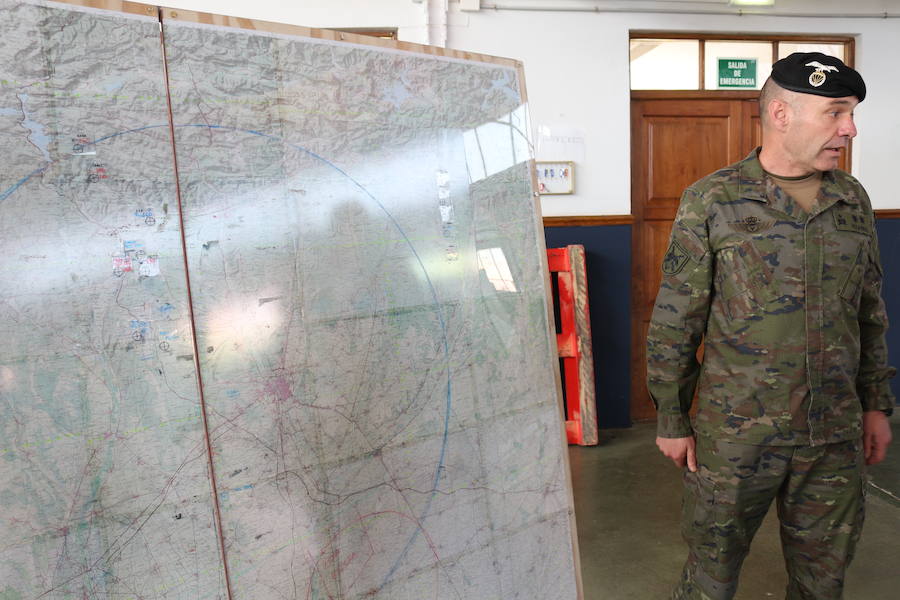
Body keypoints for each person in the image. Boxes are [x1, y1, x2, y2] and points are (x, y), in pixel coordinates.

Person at [646, 52, 895, 600]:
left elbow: (869, 314)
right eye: (836, 113)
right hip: (737, 435)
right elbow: (676, 317)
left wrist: (875, 404)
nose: (849, 129)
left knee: (823, 581)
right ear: (781, 114)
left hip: (832, 434)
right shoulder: (713, 200)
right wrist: (671, 415)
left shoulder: (851, 201)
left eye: (851, 114)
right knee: (711, 575)